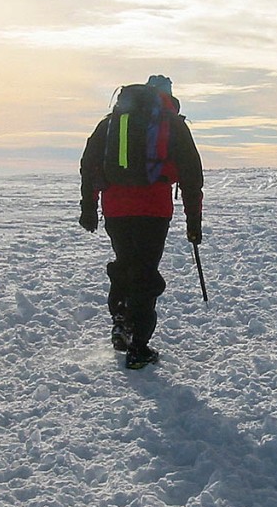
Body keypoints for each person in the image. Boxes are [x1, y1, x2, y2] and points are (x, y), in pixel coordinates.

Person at [79, 75, 204, 369]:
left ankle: (121, 319)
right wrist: (193, 222)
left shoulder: (111, 122)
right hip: (154, 209)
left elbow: (89, 164)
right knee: (145, 271)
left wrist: (89, 206)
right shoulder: (173, 124)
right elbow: (191, 177)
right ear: (167, 97)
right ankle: (139, 346)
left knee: (125, 262)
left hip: (116, 208)